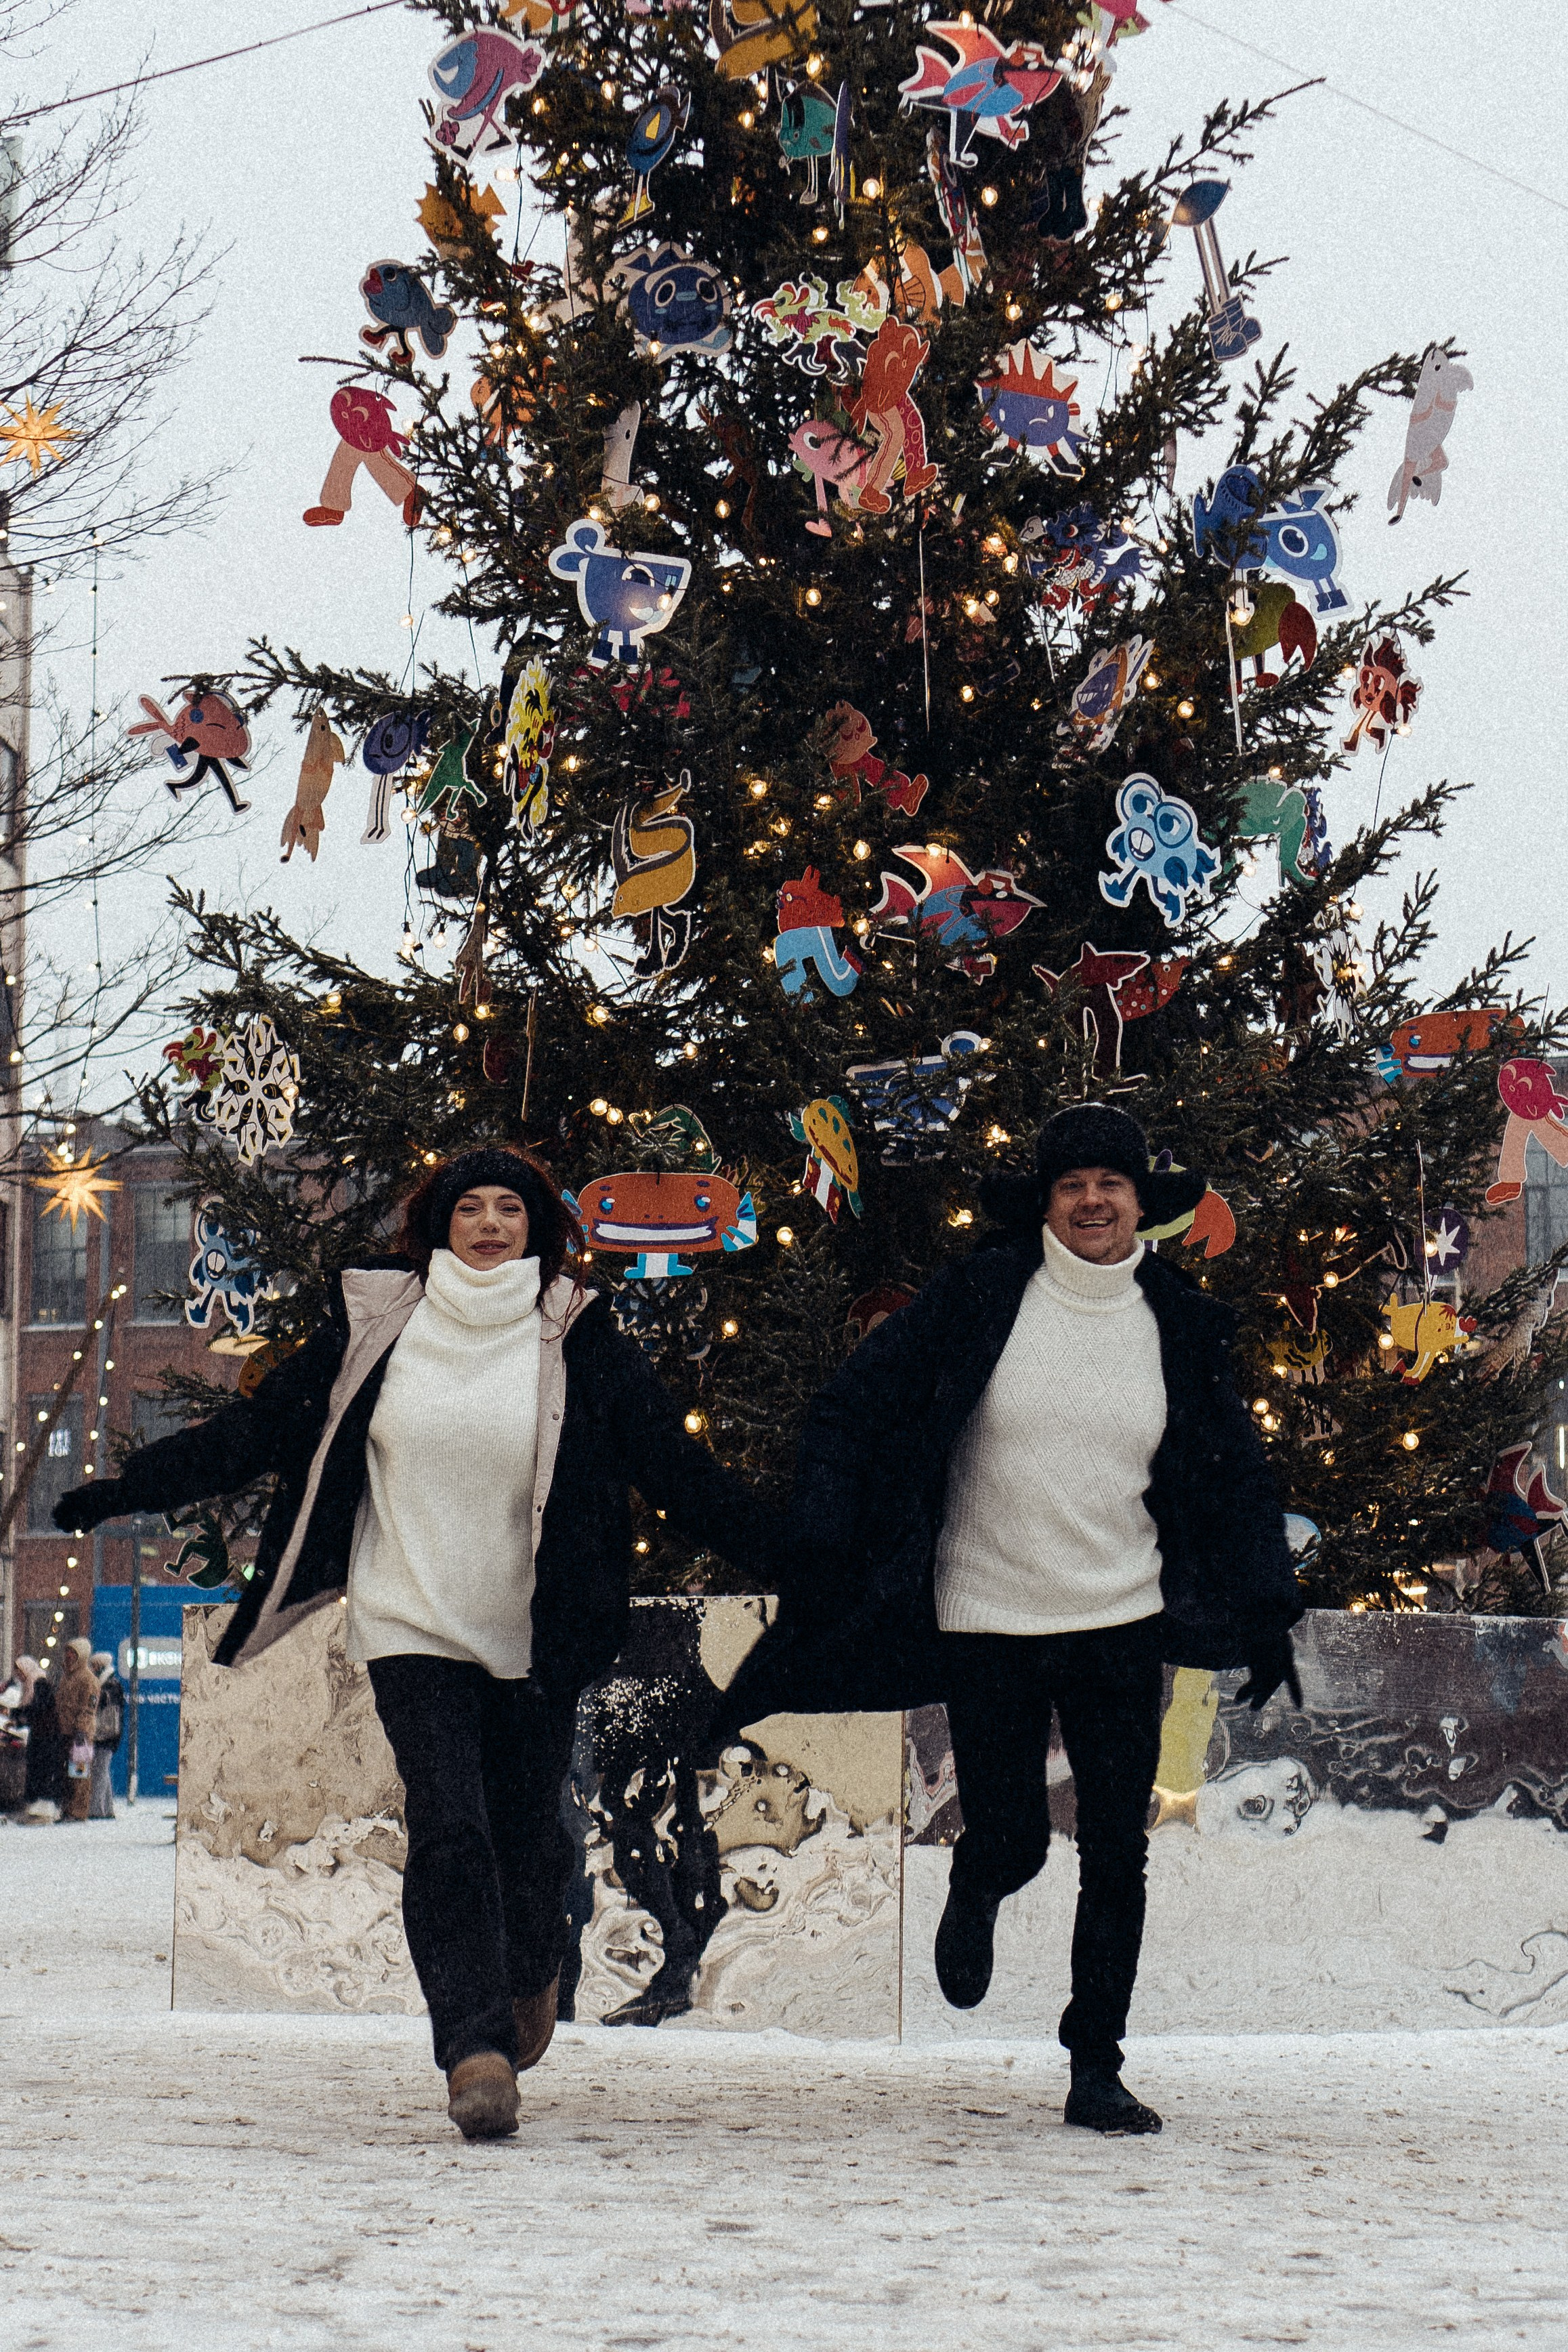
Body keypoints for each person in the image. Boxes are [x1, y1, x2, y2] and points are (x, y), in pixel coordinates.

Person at [56, 1145, 775, 2141]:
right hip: (409, 1619)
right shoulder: (379, 1323)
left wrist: (793, 1549)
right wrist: (122, 1493)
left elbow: (674, 1468)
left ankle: (531, 1970)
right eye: (466, 1207)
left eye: (507, 1210)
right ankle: (471, 2052)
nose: (486, 1224)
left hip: (537, 1633)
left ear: (536, 1227)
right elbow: (256, 1430)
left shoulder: (578, 1332)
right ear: (436, 1224)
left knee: (532, 1838)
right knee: (447, 1826)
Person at [721, 1103, 1303, 2137]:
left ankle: (1094, 2063)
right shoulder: (981, 1295)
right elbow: (851, 1406)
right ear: (1044, 1203)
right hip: (984, 1611)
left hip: (1119, 1616)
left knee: (1114, 1847)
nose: (1090, 1202)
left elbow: (1231, 1477)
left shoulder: (1177, 1321)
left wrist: (1262, 1605)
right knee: (1013, 1835)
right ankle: (980, 1887)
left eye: (1109, 1186)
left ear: (1140, 1207)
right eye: (1070, 1185)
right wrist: (820, 1525)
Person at [55, 1637, 102, 1823]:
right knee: (66, 1774)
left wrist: (82, 1729)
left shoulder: (88, 1680)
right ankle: (67, 1808)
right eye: (68, 1652)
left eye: (73, 1653)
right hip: (64, 1731)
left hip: (80, 1735)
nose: (69, 1656)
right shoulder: (67, 1677)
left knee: (80, 1774)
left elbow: (89, 1709)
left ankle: (79, 1811)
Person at [89, 1652, 124, 1820]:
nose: (92, 1669)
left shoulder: (110, 1685)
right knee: (103, 1771)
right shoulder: (110, 1683)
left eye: (94, 1665)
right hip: (108, 1735)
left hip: (106, 1735)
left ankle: (96, 1809)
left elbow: (104, 1704)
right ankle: (107, 1808)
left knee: (100, 1772)